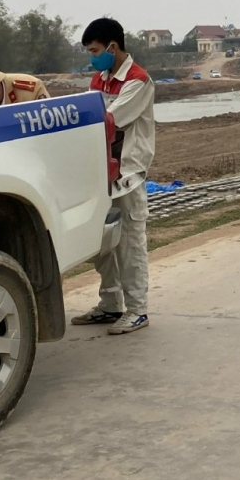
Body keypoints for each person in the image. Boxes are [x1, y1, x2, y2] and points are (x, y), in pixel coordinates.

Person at [71, 18, 155, 336]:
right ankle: (110, 305)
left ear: (112, 47)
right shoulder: (100, 79)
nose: (92, 58)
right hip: (102, 173)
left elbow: (108, 121)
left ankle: (137, 310)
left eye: (94, 51)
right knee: (103, 244)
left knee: (130, 243)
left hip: (127, 174)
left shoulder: (137, 81)